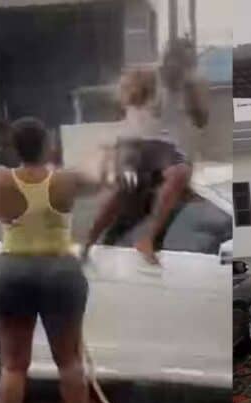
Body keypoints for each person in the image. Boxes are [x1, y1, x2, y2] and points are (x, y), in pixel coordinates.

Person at [0, 117, 112, 403]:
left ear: (15, 148)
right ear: (47, 145)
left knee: (14, 366)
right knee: (70, 364)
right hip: (59, 270)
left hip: (12, 269)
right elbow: (108, 183)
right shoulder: (65, 179)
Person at [82, 38, 209, 265]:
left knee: (180, 172)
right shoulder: (147, 76)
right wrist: (133, 90)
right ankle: (88, 242)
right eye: (178, 65)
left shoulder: (188, 87)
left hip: (163, 148)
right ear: (167, 60)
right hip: (134, 142)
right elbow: (121, 100)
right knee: (125, 188)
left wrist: (194, 99)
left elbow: (201, 121)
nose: (180, 73)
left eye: (187, 67)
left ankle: (147, 238)